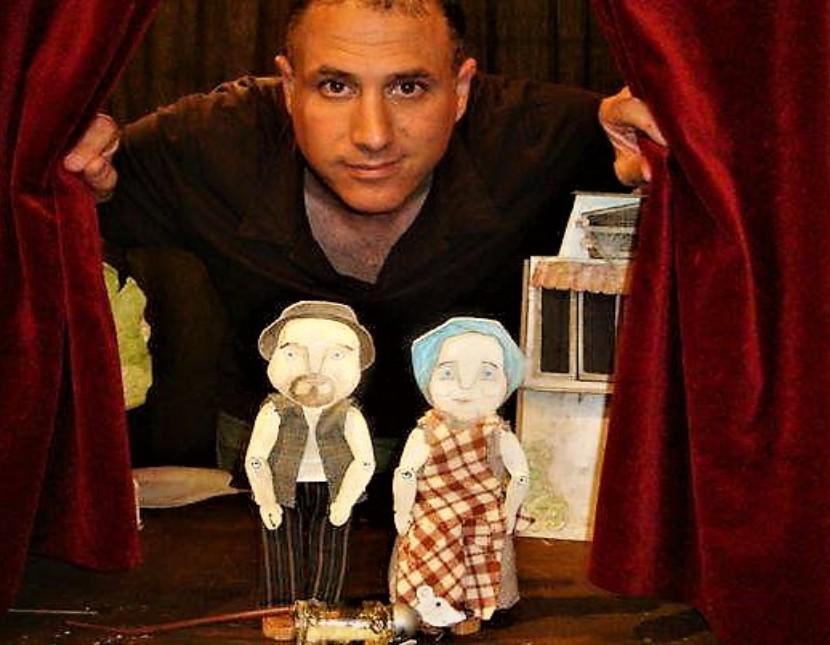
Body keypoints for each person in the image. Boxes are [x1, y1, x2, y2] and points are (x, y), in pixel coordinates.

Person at [64, 0, 664, 481]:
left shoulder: (540, 136)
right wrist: (69, 155)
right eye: (335, 86)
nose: (373, 135)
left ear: (460, 91)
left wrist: (649, 143)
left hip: (473, 461)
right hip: (269, 453)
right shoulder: (209, 142)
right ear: (288, 86)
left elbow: (670, 168)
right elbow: (66, 192)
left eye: (408, 88)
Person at [390, 317, 529, 634]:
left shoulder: (498, 433)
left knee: (479, 561)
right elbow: (406, 471)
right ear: (428, 379)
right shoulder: (426, 431)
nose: (466, 387)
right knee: (428, 554)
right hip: (433, 514)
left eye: (487, 374)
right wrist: (402, 510)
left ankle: (469, 609)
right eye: (448, 373)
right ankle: (424, 610)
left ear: (506, 381)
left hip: (480, 517)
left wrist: (509, 512)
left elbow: (520, 475)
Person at [245, 300, 376, 638]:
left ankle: (323, 607)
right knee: (280, 545)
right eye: (294, 354)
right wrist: (266, 499)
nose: (314, 369)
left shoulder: (349, 415)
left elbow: (365, 461)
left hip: (334, 487)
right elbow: (256, 458)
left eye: (336, 355)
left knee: (330, 546)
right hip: (282, 486)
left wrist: (345, 499)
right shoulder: (273, 411)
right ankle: (281, 607)